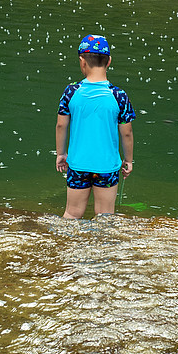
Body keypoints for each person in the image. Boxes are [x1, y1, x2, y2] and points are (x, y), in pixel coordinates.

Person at [56, 34, 135, 219]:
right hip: (107, 166)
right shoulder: (119, 96)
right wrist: (128, 160)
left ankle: (65, 245)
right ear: (109, 62)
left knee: (72, 212)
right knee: (105, 215)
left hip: (78, 164)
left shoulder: (71, 92)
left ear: (82, 61)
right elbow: (127, 133)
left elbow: (61, 125)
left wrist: (61, 154)